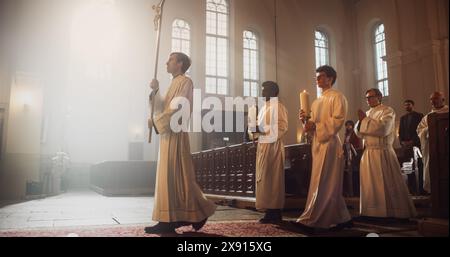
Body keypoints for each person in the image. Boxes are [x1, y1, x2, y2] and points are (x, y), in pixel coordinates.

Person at [145, 52, 217, 233]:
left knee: (178, 177)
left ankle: (193, 214)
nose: (166, 63)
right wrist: (155, 91)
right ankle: (167, 219)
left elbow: (178, 108)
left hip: (176, 135)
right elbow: (161, 106)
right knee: (168, 178)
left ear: (180, 64)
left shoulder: (186, 82)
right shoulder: (173, 83)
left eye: (170, 60)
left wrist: (156, 121)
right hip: (167, 136)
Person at [293, 65, 352, 232]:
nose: (317, 79)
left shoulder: (338, 97)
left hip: (331, 143)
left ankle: (318, 219)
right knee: (324, 181)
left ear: (331, 78)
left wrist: (315, 125)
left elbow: (338, 121)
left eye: (321, 76)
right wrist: (305, 121)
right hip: (318, 143)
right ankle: (343, 217)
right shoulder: (316, 101)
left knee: (326, 181)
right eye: (317, 76)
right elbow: (310, 127)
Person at [355, 88, 416, 219]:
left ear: (379, 97)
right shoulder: (367, 113)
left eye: (371, 97)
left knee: (386, 182)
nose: (368, 100)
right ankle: (370, 212)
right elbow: (359, 132)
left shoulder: (387, 111)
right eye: (367, 98)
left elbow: (383, 129)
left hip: (382, 152)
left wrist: (364, 120)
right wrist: (361, 121)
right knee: (370, 184)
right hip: (369, 152)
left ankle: (393, 211)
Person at [250, 81, 288, 224]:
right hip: (263, 146)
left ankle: (275, 211)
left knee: (273, 179)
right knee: (264, 178)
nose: (262, 93)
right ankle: (268, 210)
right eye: (262, 90)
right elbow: (257, 129)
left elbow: (282, 127)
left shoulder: (278, 107)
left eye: (265, 90)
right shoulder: (262, 108)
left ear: (274, 92)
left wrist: (262, 131)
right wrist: (253, 132)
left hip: (273, 147)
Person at [417, 92, 449, 193]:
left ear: (443, 100)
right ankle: (436, 199)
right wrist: (428, 129)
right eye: (431, 99)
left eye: (435, 98)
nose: (432, 101)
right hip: (433, 151)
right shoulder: (428, 117)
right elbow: (419, 131)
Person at [398, 99, 424, 194]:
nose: (406, 106)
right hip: (406, 148)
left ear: (413, 105)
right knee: (408, 168)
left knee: (419, 168)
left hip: (416, 146)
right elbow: (400, 133)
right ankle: (411, 190)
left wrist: (413, 141)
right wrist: (402, 142)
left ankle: (420, 190)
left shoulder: (419, 116)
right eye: (405, 105)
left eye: (408, 105)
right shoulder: (402, 118)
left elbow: (421, 130)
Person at [342, 120, 362, 197]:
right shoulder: (346, 134)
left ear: (352, 126)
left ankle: (355, 193)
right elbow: (345, 144)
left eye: (349, 125)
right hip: (347, 156)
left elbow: (358, 145)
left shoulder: (355, 134)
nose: (348, 126)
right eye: (347, 125)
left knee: (353, 174)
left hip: (354, 155)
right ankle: (350, 192)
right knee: (348, 174)